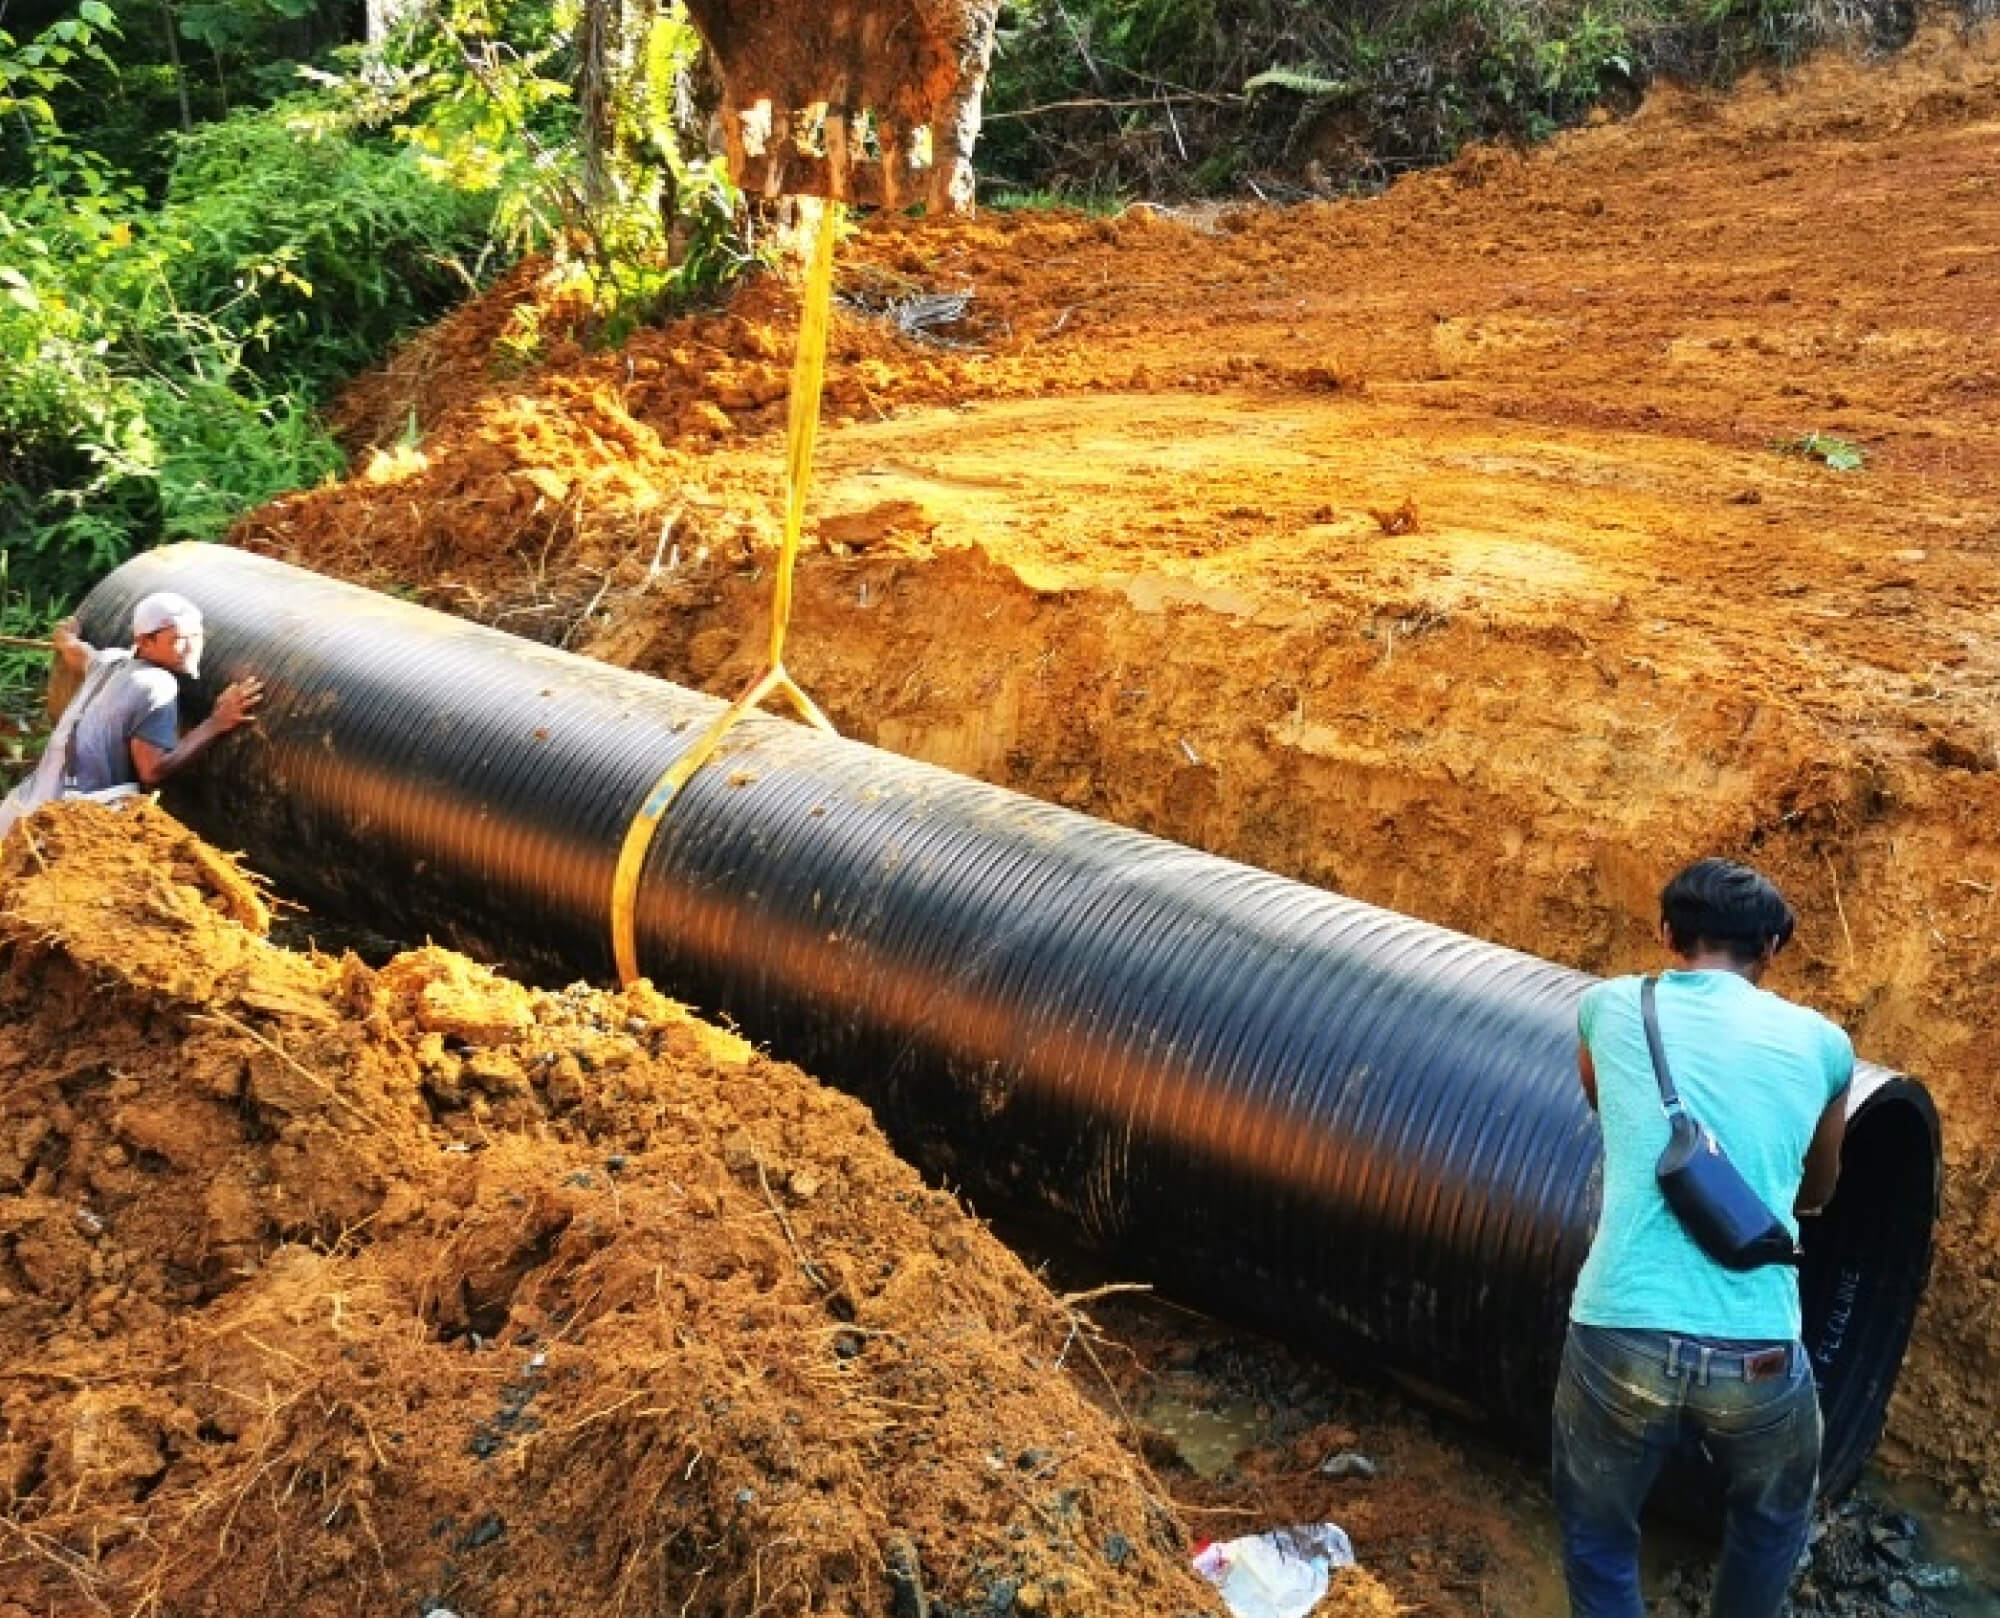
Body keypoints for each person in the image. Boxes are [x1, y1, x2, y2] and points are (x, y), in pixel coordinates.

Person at [1554, 857, 1853, 1618]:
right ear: (1775, 948)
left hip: (1620, 1331)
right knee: (1774, 1514)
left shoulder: (1610, 1005)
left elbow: (1601, 1102)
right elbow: (1818, 1191)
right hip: (1755, 1351)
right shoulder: (1825, 1046)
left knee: (1598, 1530)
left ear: (1665, 932)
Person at [0, 591, 263, 841]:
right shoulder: (157, 685)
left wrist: (64, 637)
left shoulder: (109, 661)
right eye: (179, 640)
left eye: (197, 636)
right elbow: (152, 769)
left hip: (20, 808)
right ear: (145, 642)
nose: (192, 648)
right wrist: (216, 722)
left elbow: (76, 652)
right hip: (70, 821)